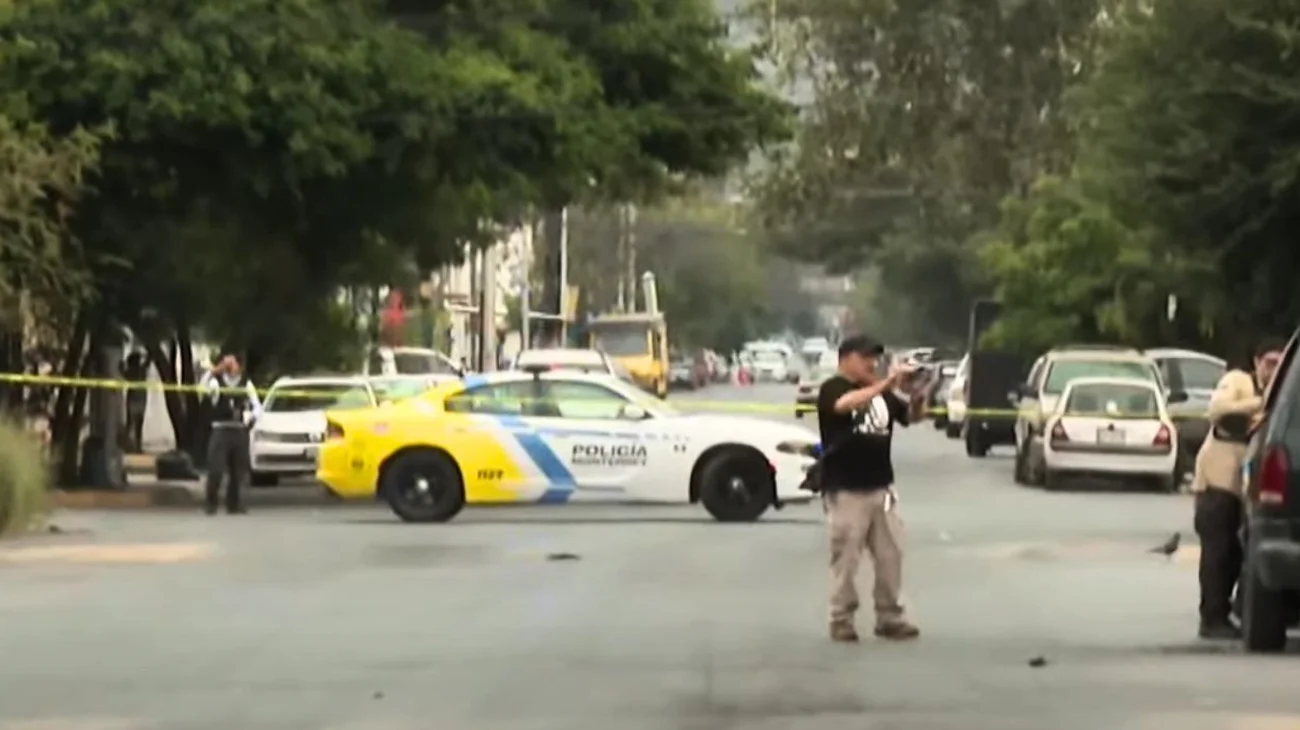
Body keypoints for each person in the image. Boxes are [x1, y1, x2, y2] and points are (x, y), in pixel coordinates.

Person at [816, 334, 927, 643]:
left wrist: (918, 394)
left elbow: (912, 417)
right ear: (846, 358)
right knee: (846, 559)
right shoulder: (834, 387)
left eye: (875, 358)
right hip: (847, 488)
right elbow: (843, 406)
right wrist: (886, 383)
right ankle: (841, 618)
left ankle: (890, 616)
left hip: (881, 486)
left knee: (891, 555)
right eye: (865, 357)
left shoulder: (882, 393)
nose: (872, 363)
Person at [1191, 337, 1285, 639]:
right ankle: (1212, 618)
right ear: (1257, 362)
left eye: (1279, 364)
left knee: (1238, 555)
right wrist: (1261, 403)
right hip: (1217, 484)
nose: (1273, 370)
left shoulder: (1283, 393)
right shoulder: (1238, 382)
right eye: (1269, 363)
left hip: (1248, 490)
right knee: (1218, 553)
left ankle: (1234, 611)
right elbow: (1217, 409)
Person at [200, 352, 261, 515]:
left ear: (239, 366)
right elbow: (202, 388)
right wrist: (214, 371)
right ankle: (211, 503)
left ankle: (234, 504)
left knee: (238, 471)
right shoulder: (216, 382)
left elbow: (257, 406)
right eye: (226, 363)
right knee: (216, 469)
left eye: (232, 363)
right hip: (220, 429)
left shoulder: (246, 384)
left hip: (239, 429)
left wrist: (250, 419)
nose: (229, 366)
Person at [122, 351, 149, 454]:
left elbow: (121, 370)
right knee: (137, 426)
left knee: (131, 424)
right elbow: (148, 361)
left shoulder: (132, 372)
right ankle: (136, 447)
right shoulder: (140, 370)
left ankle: (131, 446)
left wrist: (121, 365)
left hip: (135, 399)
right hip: (139, 400)